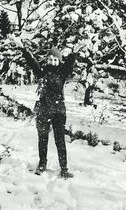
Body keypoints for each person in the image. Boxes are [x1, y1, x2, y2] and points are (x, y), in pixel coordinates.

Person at [19, 43, 82, 179]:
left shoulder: (62, 71)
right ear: (47, 60)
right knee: (42, 138)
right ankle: (42, 164)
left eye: (55, 59)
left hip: (58, 111)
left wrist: (74, 53)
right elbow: (32, 61)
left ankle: (64, 168)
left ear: (59, 60)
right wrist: (23, 48)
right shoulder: (42, 71)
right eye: (50, 59)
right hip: (43, 109)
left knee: (60, 140)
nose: (52, 62)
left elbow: (69, 64)